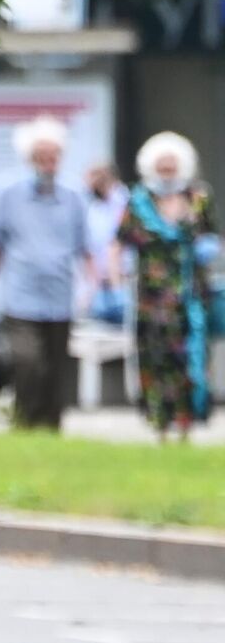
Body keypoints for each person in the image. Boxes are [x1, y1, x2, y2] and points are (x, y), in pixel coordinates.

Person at [0, 117, 97, 429]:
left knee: (56, 368)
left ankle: (51, 425)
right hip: (19, 295)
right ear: (29, 158)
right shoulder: (8, 193)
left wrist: (93, 287)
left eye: (53, 156)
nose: (48, 163)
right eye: (41, 156)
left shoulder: (74, 196)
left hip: (60, 296)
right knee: (27, 360)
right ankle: (24, 420)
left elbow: (86, 248)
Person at [115, 131, 216, 440]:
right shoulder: (138, 201)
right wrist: (114, 280)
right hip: (151, 297)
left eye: (172, 163)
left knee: (189, 358)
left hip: (189, 296)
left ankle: (187, 423)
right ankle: (159, 423)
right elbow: (118, 243)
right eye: (162, 164)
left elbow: (211, 236)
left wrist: (209, 251)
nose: (168, 169)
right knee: (154, 357)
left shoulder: (198, 198)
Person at [85, 163, 132, 324]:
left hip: (123, 282)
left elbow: (118, 246)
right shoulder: (95, 208)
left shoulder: (126, 202)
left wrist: (117, 285)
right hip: (101, 285)